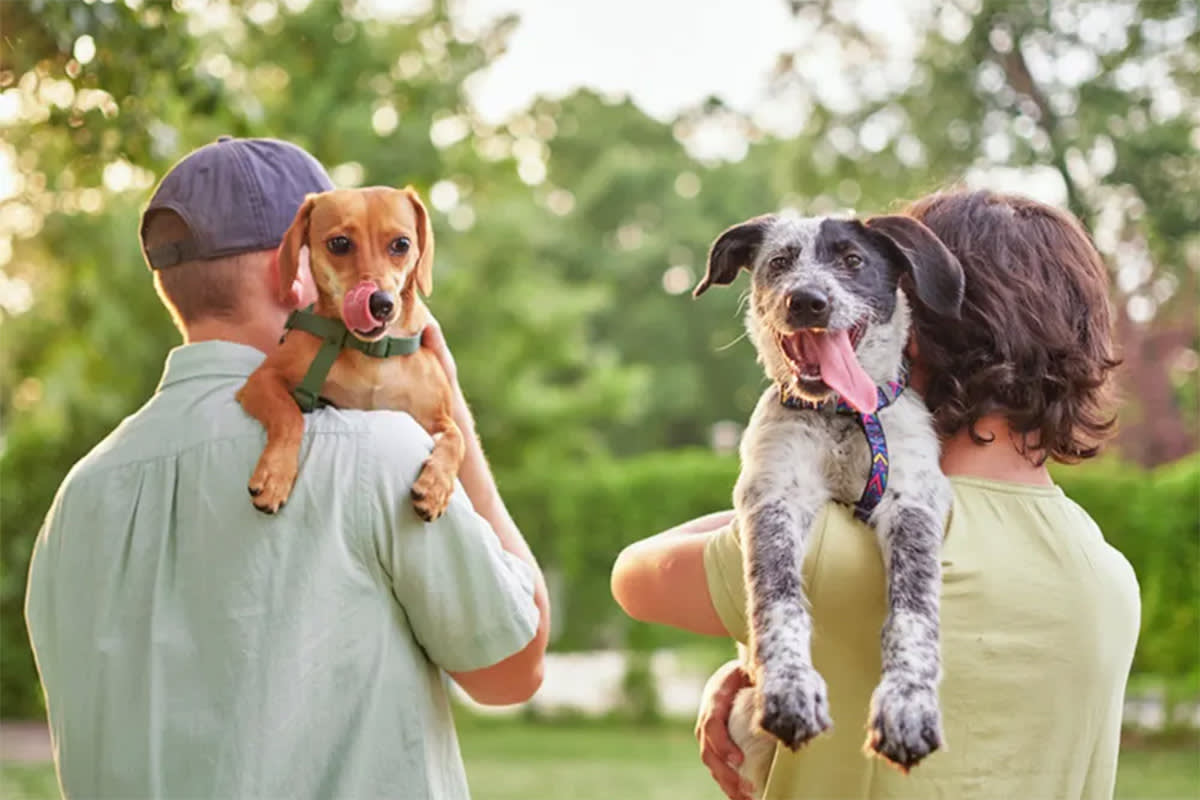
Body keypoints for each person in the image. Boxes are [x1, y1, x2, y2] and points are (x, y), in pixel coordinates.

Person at [24, 136, 550, 799]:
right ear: (296, 272)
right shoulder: (380, 455)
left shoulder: (76, 500)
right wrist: (453, 416)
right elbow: (513, 668)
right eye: (343, 245)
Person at [610, 188, 1141, 800]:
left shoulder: (829, 553)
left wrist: (752, 656)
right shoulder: (1109, 578)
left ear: (912, 325)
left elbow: (635, 577)